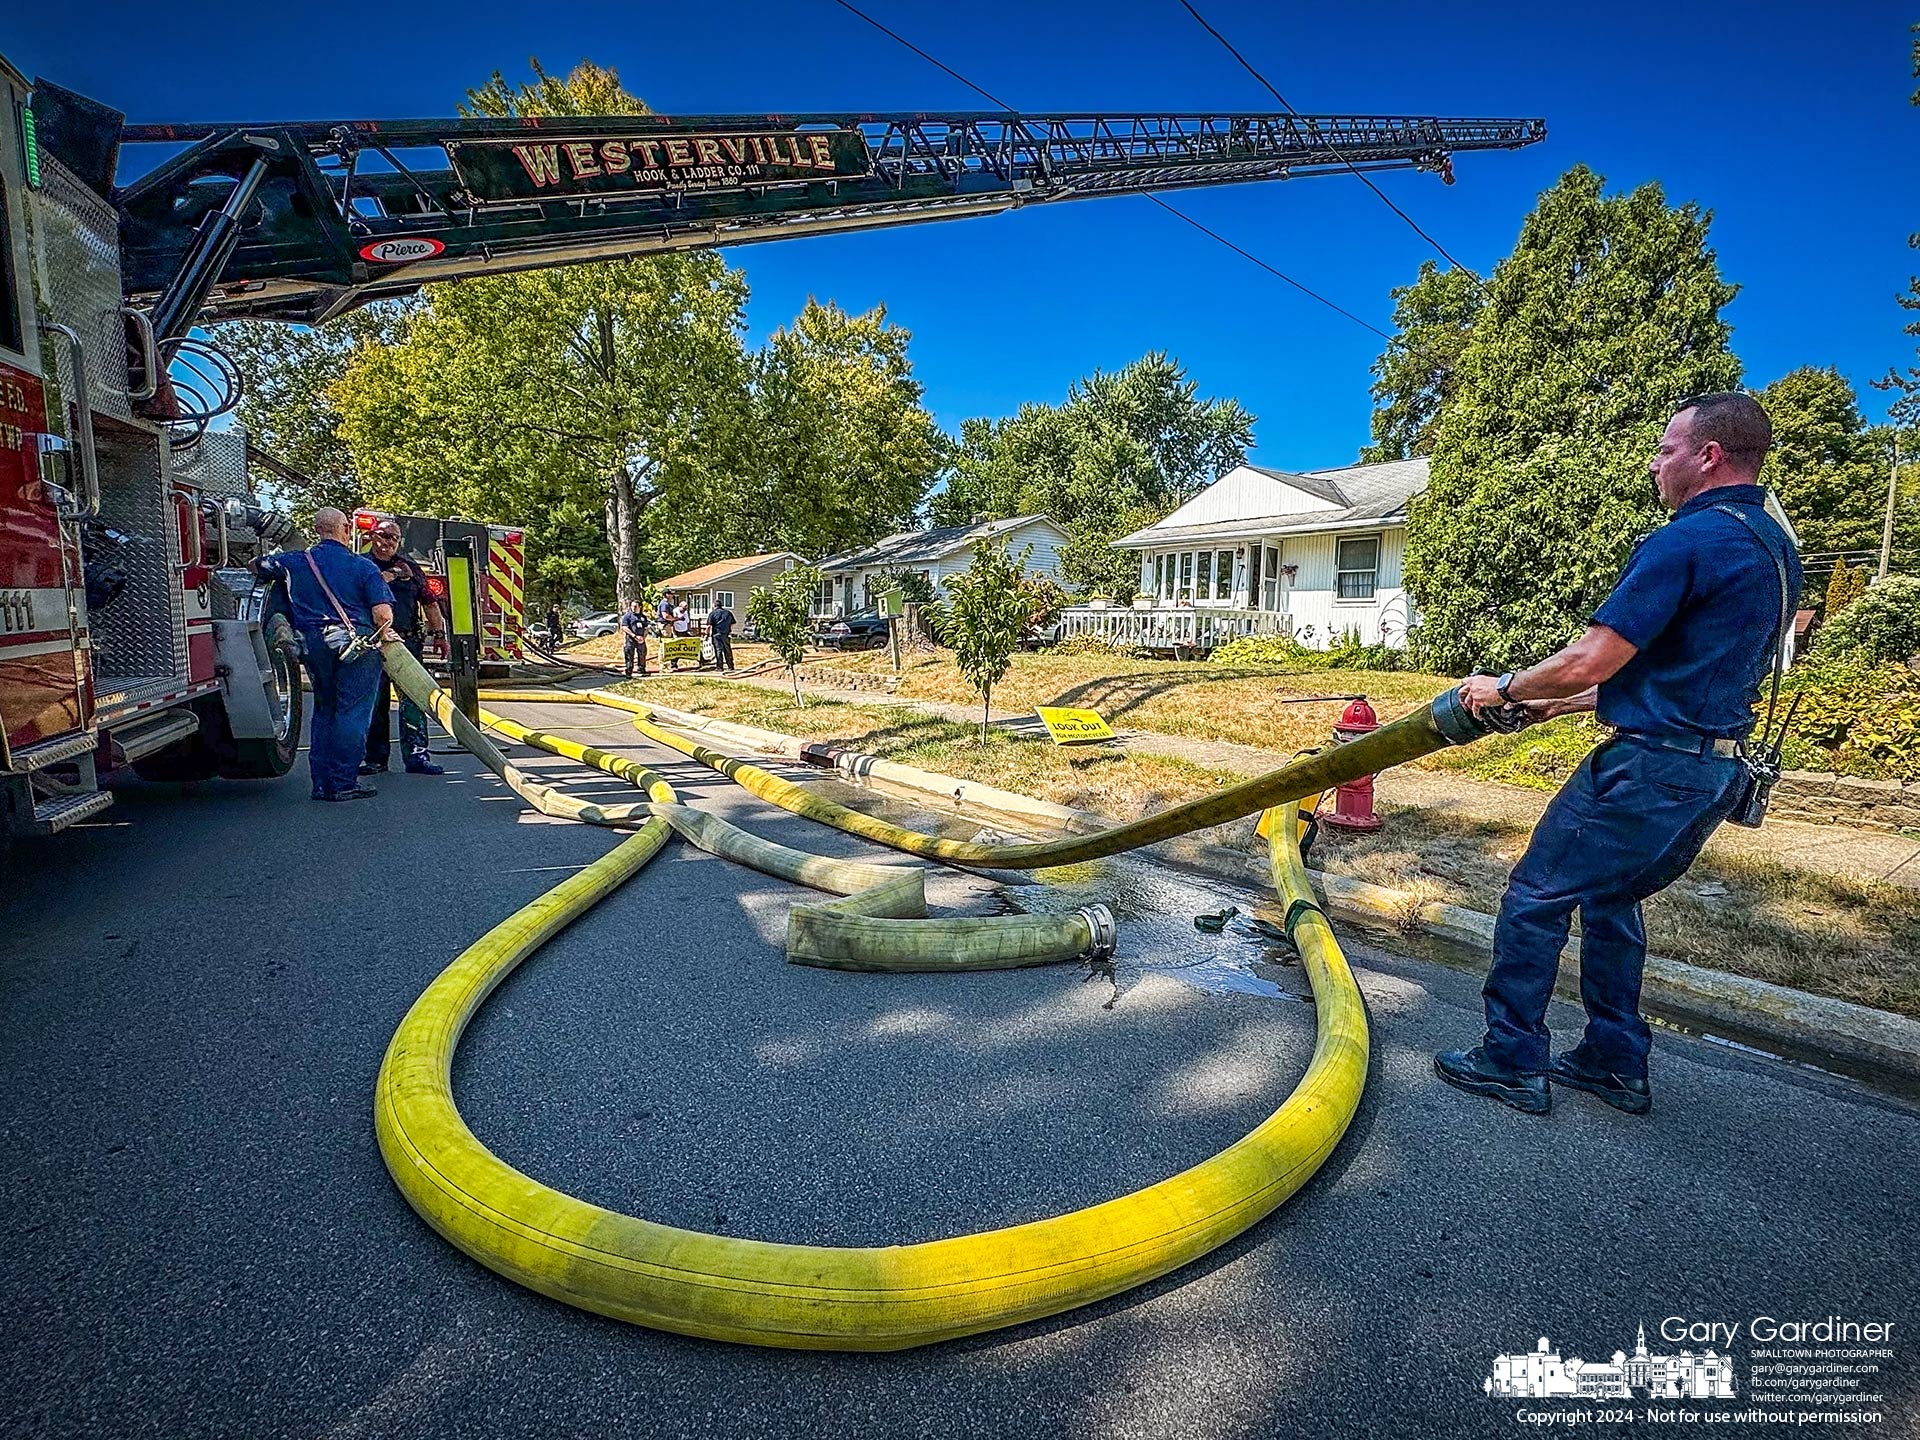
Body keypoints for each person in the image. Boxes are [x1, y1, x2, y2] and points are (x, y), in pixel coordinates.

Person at [1435, 393, 1802, 1117]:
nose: (1654, 463)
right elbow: (1673, 674)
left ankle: (1511, 1058)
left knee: (1536, 897)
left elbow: (1590, 658)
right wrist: (1550, 705)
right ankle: (1613, 1057)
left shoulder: (1687, 540)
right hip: (1713, 770)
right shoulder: (1770, 544)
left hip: (1649, 769)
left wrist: (1501, 686)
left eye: (1667, 449)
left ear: (1708, 456)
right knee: (1609, 898)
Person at [253, 507, 395, 802]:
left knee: (324, 709)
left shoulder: (294, 561)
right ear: (345, 529)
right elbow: (382, 614)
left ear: (317, 529)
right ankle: (343, 782)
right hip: (356, 647)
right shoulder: (362, 567)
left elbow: (258, 565)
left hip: (313, 645)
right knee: (352, 712)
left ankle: (320, 784)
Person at [362, 519, 447, 777]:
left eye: (394, 538)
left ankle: (417, 757)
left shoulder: (410, 568)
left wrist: (440, 634)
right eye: (383, 535)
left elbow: (430, 603)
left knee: (413, 700)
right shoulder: (361, 566)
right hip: (372, 644)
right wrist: (389, 576)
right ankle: (375, 759)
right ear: (371, 536)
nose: (388, 541)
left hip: (407, 643)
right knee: (375, 704)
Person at [619, 601, 649, 679]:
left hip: (641, 639)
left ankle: (641, 669)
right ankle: (629, 672)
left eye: (635, 606)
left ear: (640, 607)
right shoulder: (628, 616)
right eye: (632, 606)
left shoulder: (643, 617)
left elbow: (646, 628)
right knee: (629, 655)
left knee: (642, 654)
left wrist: (643, 637)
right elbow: (624, 627)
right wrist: (634, 636)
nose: (633, 608)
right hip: (631, 639)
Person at [707, 597, 737, 672]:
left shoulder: (712, 613)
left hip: (716, 634)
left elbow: (709, 625)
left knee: (718, 650)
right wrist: (729, 629)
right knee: (727, 650)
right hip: (726, 634)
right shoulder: (728, 613)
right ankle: (730, 666)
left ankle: (720, 667)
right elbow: (733, 623)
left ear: (714, 606)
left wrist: (706, 634)